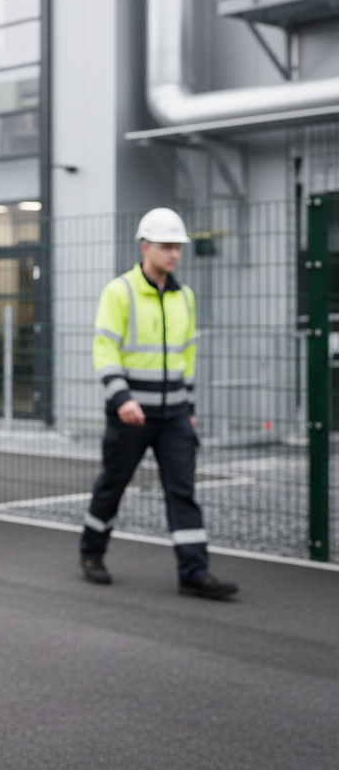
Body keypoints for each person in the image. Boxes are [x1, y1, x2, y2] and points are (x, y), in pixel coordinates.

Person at [80, 207, 238, 599]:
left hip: (174, 417)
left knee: (182, 491)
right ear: (145, 247)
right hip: (130, 413)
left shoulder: (185, 297)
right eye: (167, 247)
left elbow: (187, 360)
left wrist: (191, 410)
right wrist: (121, 399)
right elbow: (105, 350)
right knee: (112, 485)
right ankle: (91, 553)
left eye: (178, 247)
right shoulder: (120, 291)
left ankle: (194, 573)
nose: (174, 254)